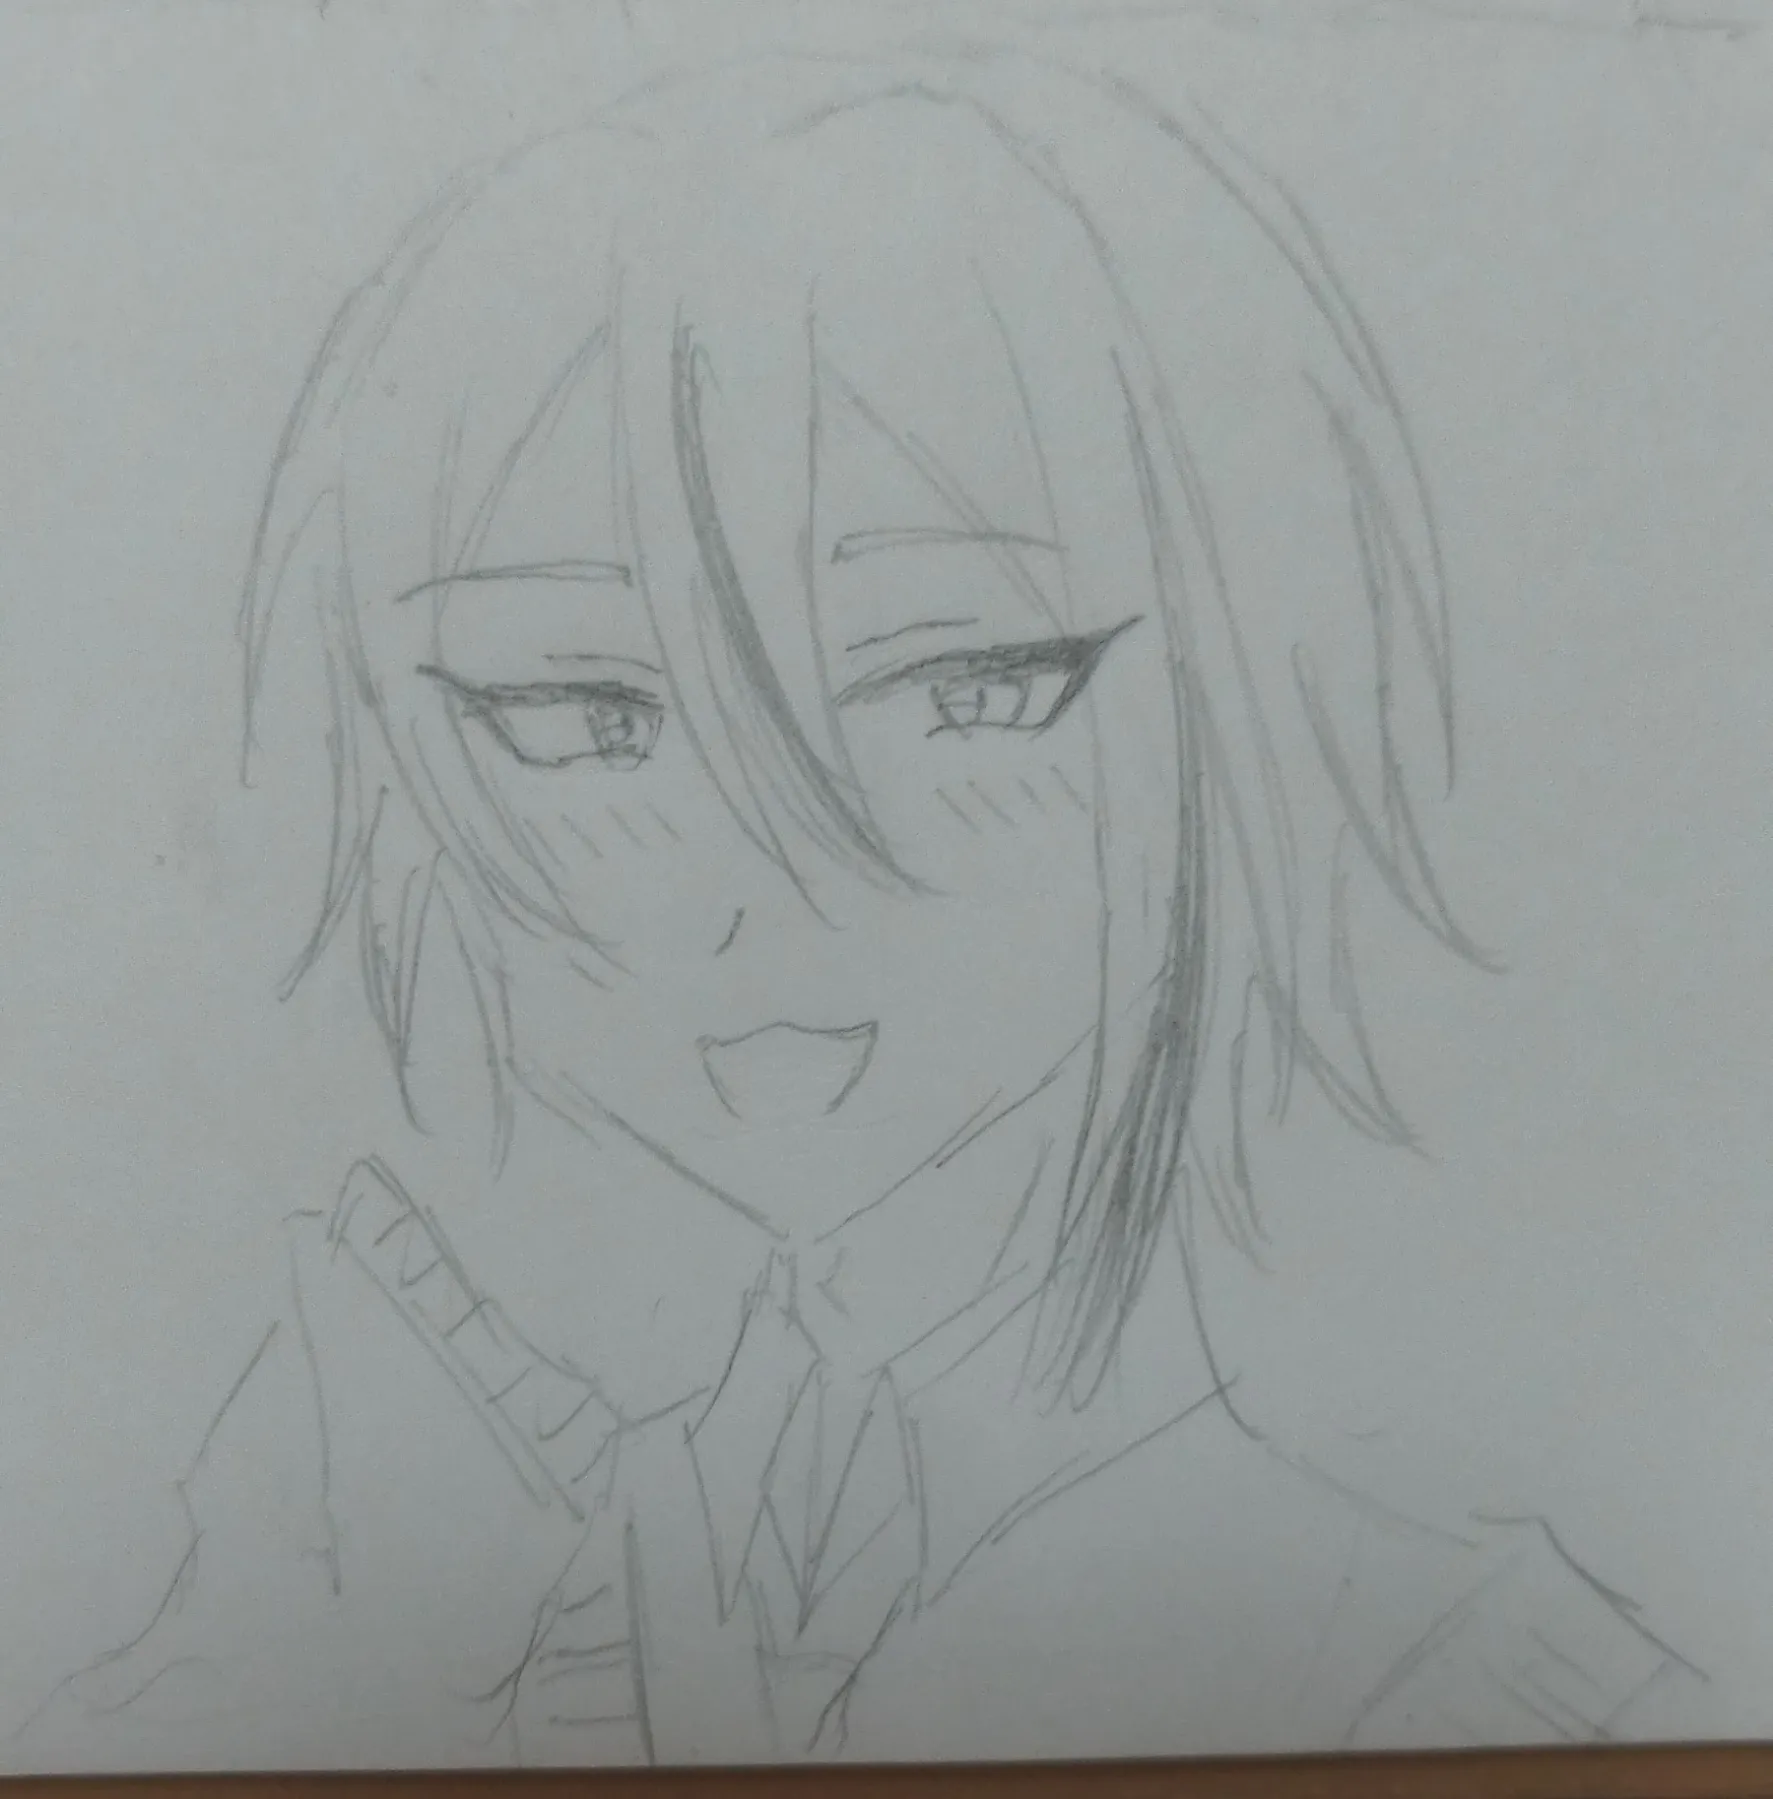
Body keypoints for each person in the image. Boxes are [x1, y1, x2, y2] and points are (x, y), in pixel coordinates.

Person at [33, 42, 1699, 1768]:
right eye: (584, 720)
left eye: (969, 692)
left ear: (1234, 688)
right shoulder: (411, 1527)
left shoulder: (1487, 1678)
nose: (766, 882)